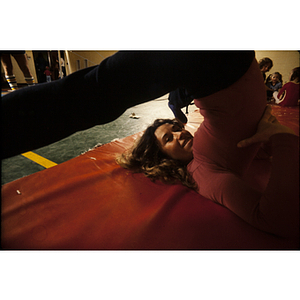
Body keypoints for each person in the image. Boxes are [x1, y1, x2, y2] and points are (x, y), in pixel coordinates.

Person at [1, 51, 298, 239]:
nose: (182, 135)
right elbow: (272, 218)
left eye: (176, 130)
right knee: (91, 94)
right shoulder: (205, 172)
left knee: (94, 91)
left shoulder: (206, 151)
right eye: (169, 139)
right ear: (164, 157)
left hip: (213, 66)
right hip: (215, 63)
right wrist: (281, 138)